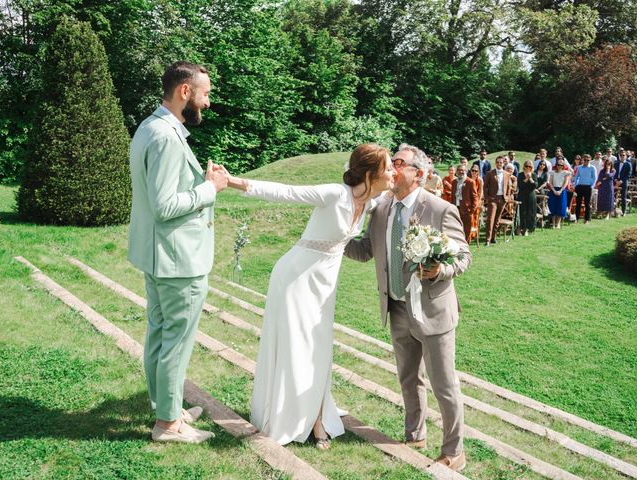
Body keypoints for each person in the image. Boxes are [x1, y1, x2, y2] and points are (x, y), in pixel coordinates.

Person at [225, 144, 394, 449]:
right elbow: (286, 192)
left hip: (324, 285)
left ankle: (316, 415)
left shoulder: (372, 200)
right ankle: (297, 419)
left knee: (319, 349)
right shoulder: (334, 193)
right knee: (295, 347)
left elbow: (407, 192)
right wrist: (234, 181)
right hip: (295, 278)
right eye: (389, 168)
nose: (393, 173)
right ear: (371, 174)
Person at [345, 143, 471, 473]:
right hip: (397, 308)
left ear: (418, 174)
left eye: (399, 163)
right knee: (408, 379)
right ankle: (415, 435)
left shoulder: (440, 209)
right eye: (391, 163)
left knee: (444, 386)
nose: (393, 167)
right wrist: (331, 232)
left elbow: (463, 256)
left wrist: (440, 270)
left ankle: (454, 451)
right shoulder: (382, 208)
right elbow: (363, 252)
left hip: (433, 311)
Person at [128, 61, 229, 444]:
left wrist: (200, 181)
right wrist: (211, 188)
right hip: (177, 259)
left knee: (159, 332)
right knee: (175, 339)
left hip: (156, 255)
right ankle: (169, 425)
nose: (208, 100)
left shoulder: (149, 126)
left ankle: (165, 405)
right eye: (204, 93)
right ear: (185, 91)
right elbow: (166, 205)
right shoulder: (168, 137)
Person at [484, 155, 513, 246]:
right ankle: (487, 239)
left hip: (502, 199)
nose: (499, 164)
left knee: (497, 220)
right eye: (498, 162)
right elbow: (485, 187)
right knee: (490, 219)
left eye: (501, 162)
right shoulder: (490, 173)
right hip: (493, 199)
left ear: (503, 163)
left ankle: (493, 238)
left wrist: (507, 197)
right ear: (495, 163)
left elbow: (508, 187)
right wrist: (487, 198)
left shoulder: (507, 174)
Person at [452, 164, 479, 242]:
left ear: (466, 171)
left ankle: (465, 246)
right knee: (456, 228)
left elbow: (475, 198)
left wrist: (471, 210)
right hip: (456, 209)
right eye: (459, 170)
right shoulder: (454, 182)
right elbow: (453, 196)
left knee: (466, 230)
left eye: (462, 170)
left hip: (467, 210)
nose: (461, 172)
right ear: (456, 172)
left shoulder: (470, 182)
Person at [573, 154, 596, 224]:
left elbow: (594, 178)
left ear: (590, 160)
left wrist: (591, 186)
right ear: (583, 160)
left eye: (588, 160)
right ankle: (576, 218)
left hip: (588, 187)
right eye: (585, 160)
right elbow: (576, 177)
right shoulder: (579, 167)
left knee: (587, 204)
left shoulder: (592, 168)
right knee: (578, 203)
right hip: (580, 186)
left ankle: (586, 219)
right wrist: (576, 185)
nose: (586, 161)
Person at [548, 159, 570, 228]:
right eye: (558, 165)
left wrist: (560, 190)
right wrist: (554, 190)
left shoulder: (566, 173)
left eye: (561, 165)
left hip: (562, 190)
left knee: (561, 206)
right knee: (553, 206)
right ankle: (553, 224)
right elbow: (550, 182)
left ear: (563, 165)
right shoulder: (552, 172)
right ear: (556, 165)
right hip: (553, 190)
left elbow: (566, 183)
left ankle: (558, 223)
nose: (559, 166)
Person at [517, 160, 537, 235]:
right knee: (523, 212)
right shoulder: (520, 175)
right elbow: (520, 186)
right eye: (527, 166)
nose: (528, 168)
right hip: (522, 195)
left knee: (531, 212)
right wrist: (526, 179)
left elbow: (535, 185)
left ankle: (529, 228)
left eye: (530, 166)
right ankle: (522, 227)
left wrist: (530, 178)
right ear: (524, 167)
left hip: (531, 196)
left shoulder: (534, 175)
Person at [614, 150, 633, 216]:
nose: (622, 156)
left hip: (624, 182)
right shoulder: (616, 163)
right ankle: (612, 211)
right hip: (616, 181)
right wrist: (616, 180)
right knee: (612, 196)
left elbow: (629, 174)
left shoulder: (628, 164)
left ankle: (623, 212)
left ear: (625, 156)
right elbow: (613, 172)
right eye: (621, 155)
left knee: (623, 197)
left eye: (623, 155)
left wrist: (621, 181)